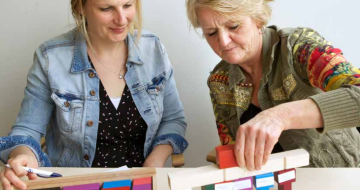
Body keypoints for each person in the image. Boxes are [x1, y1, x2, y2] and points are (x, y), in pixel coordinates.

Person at [0, 0, 188, 189]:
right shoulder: (51, 58)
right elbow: (27, 130)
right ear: (80, 7)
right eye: (106, 8)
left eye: (128, 5)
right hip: (78, 185)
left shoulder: (153, 48)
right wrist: (23, 155)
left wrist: (155, 159)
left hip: (145, 182)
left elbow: (173, 119)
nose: (122, 19)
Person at [186, 0, 360, 171]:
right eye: (211, 33)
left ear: (258, 19)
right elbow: (233, 151)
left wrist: (279, 117)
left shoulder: (299, 47)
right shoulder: (219, 80)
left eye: (233, 26)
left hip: (341, 176)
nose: (223, 41)